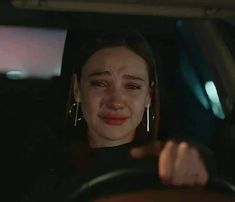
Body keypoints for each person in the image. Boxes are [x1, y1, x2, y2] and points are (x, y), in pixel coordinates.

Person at [23, 29, 216, 202]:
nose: (115, 101)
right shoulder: (45, 169)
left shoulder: (166, 166)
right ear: (77, 90)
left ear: (148, 96)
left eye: (132, 86)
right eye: (100, 83)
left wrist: (198, 160)